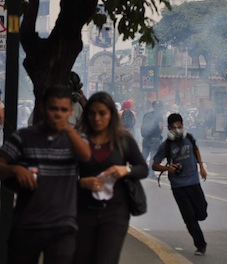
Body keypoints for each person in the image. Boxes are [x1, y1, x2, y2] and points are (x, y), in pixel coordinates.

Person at [0, 85, 91, 264]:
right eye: (53, 109)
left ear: (70, 112)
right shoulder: (23, 138)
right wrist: (15, 169)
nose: (57, 114)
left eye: (63, 110)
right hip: (27, 224)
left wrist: (68, 130)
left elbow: (87, 157)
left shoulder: (76, 140)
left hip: (62, 225)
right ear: (43, 108)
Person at [73, 91, 148, 264]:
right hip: (83, 209)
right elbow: (64, 174)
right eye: (92, 113)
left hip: (115, 211)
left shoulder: (123, 139)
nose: (97, 118)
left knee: (106, 259)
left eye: (102, 113)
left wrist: (126, 170)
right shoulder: (78, 140)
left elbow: (142, 168)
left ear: (111, 115)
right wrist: (82, 182)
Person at [152, 113, 208, 256]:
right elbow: (154, 165)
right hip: (178, 186)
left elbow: (196, 150)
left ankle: (197, 218)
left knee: (201, 213)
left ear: (183, 125)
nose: (177, 129)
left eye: (179, 126)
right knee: (189, 218)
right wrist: (167, 168)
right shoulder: (166, 145)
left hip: (194, 182)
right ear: (169, 128)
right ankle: (200, 245)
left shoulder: (188, 138)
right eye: (174, 127)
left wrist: (201, 166)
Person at [141, 100, 164, 179]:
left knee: (144, 155)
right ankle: (151, 173)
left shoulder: (146, 115)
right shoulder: (159, 116)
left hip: (146, 138)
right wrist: (159, 134)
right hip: (155, 139)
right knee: (153, 156)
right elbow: (161, 127)